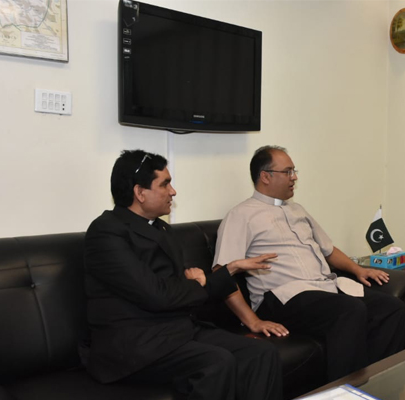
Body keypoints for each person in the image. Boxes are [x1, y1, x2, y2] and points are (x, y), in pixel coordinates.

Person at [83, 150, 282, 400]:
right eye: (165, 184)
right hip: (134, 344)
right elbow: (156, 295)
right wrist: (216, 275)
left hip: (177, 330)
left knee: (262, 353)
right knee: (216, 362)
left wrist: (204, 280)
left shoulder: (163, 229)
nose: (173, 191)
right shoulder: (106, 232)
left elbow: (184, 288)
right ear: (140, 192)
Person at [212, 145, 405, 381]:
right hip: (282, 296)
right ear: (265, 176)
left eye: (294, 171)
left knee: (392, 308)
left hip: (322, 288)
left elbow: (328, 249)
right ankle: (343, 392)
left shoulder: (297, 210)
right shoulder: (241, 215)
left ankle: (379, 383)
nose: (294, 177)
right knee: (349, 310)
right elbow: (221, 273)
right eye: (288, 171)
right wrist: (252, 321)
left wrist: (358, 270)